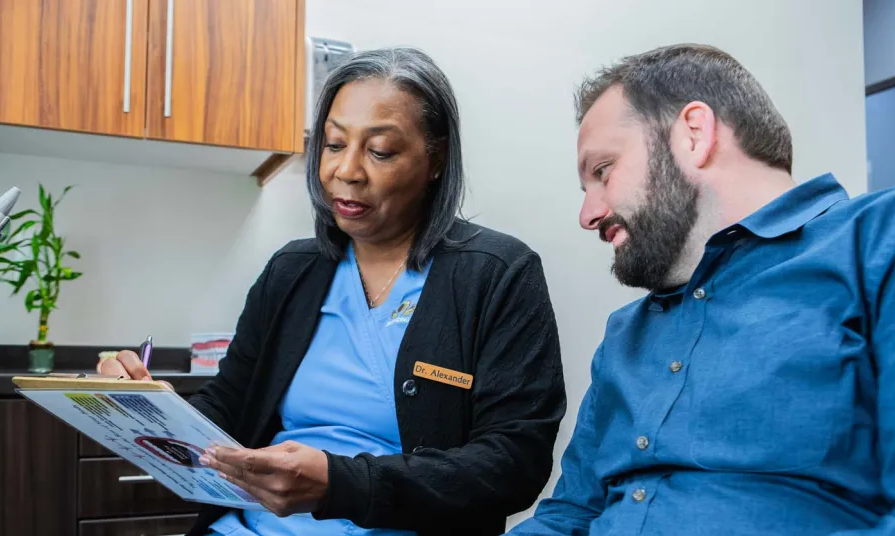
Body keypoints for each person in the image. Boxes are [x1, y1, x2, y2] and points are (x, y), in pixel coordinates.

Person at [100, 47, 566, 536]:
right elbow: (229, 409)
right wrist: (156, 410)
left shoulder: (496, 274)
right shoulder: (291, 271)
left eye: (380, 150)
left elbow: (514, 463)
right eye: (333, 144)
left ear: (436, 158)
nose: (347, 171)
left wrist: (338, 485)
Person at [509, 43, 895, 535]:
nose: (588, 214)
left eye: (603, 171)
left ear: (694, 134)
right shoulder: (625, 334)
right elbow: (570, 514)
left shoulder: (888, 240)